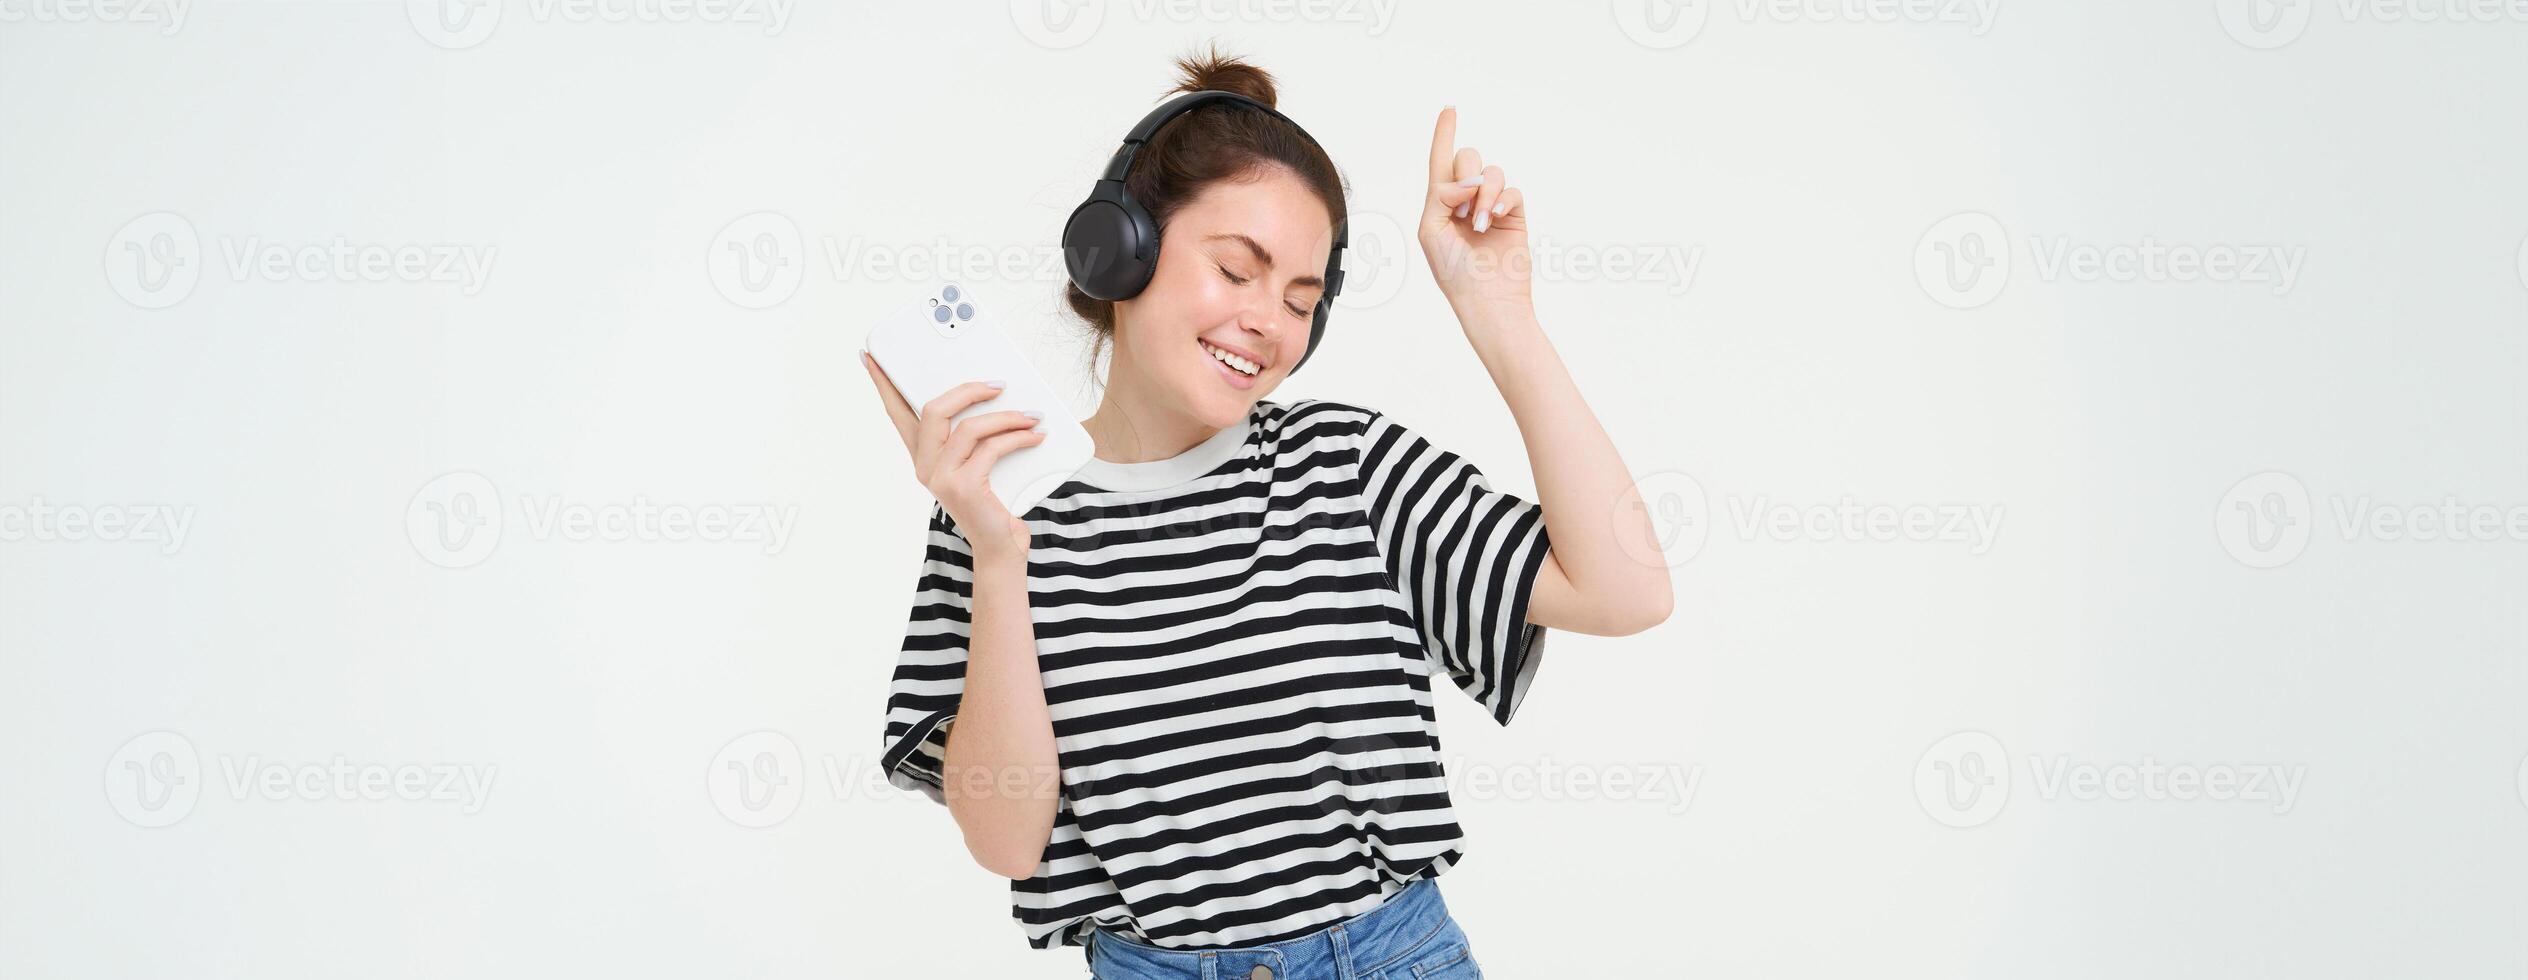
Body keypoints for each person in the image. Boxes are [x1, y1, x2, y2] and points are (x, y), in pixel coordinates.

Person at [859, 47, 1671, 977]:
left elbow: (1628, 591)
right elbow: (1006, 843)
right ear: (1121, 247)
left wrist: (1502, 314)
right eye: (1236, 271)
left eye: (1300, 299)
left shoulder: (1344, 465)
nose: (1268, 323)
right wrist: (1000, 559)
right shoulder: (995, 510)